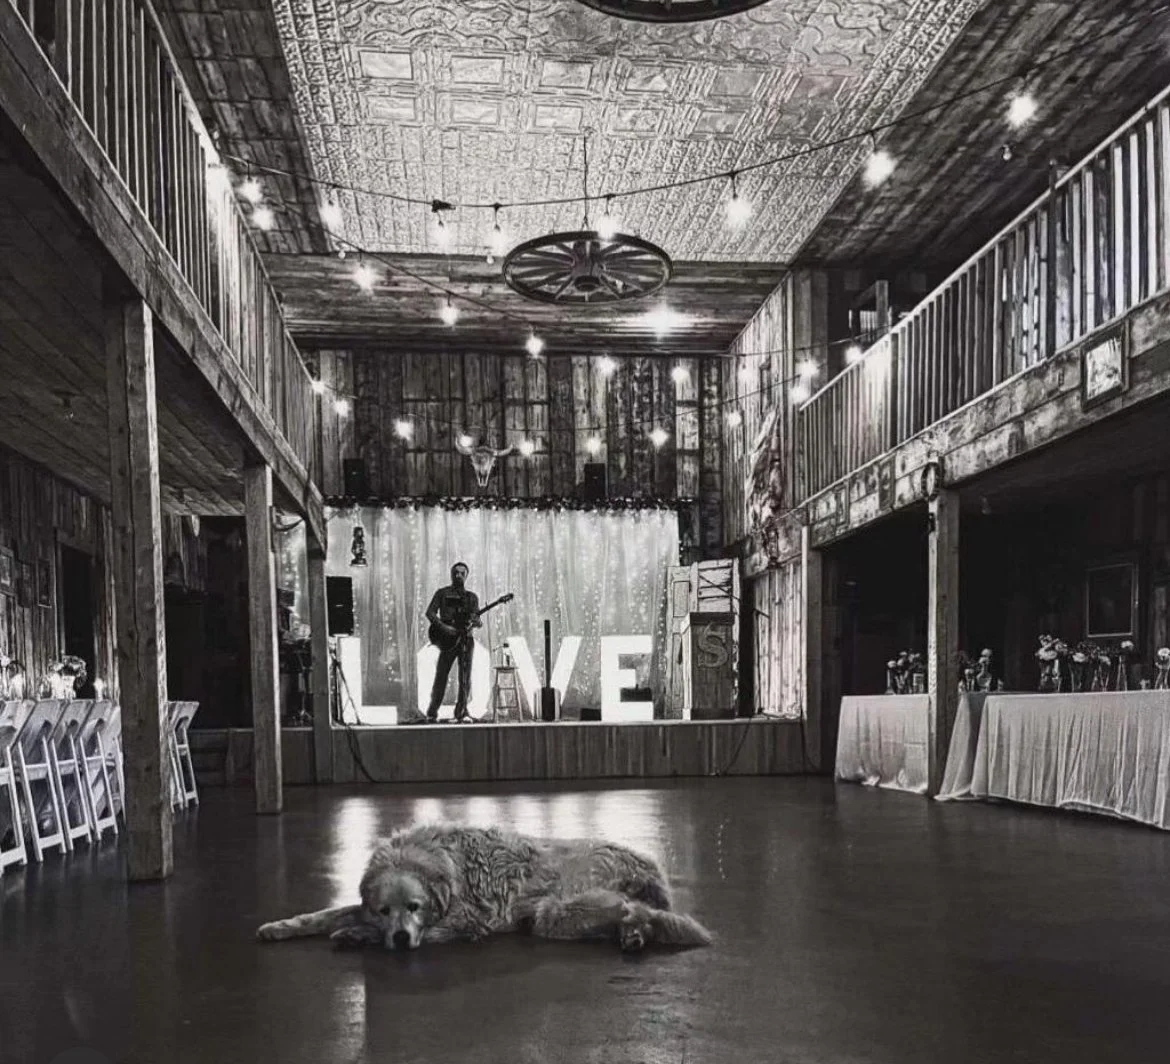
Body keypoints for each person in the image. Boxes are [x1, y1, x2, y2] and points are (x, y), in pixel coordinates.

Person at [423, 562, 480, 722]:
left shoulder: (472, 597)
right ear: (451, 574)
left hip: (466, 639)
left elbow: (476, 618)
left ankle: (461, 712)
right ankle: (432, 713)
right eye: (456, 572)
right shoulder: (442, 593)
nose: (459, 576)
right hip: (447, 640)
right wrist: (444, 627)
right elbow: (430, 613)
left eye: (462, 573)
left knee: (465, 677)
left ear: (466, 576)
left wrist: (476, 622)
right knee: (441, 675)